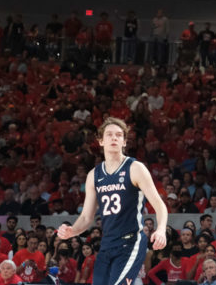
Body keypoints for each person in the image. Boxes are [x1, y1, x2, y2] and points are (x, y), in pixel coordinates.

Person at [56, 117, 168, 285]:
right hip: (107, 243)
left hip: (131, 242)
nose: (114, 138)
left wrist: (160, 230)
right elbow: (87, 217)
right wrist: (72, 231)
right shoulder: (94, 175)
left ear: (124, 141)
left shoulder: (135, 168)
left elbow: (159, 205)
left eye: (118, 135)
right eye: (109, 135)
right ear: (101, 141)